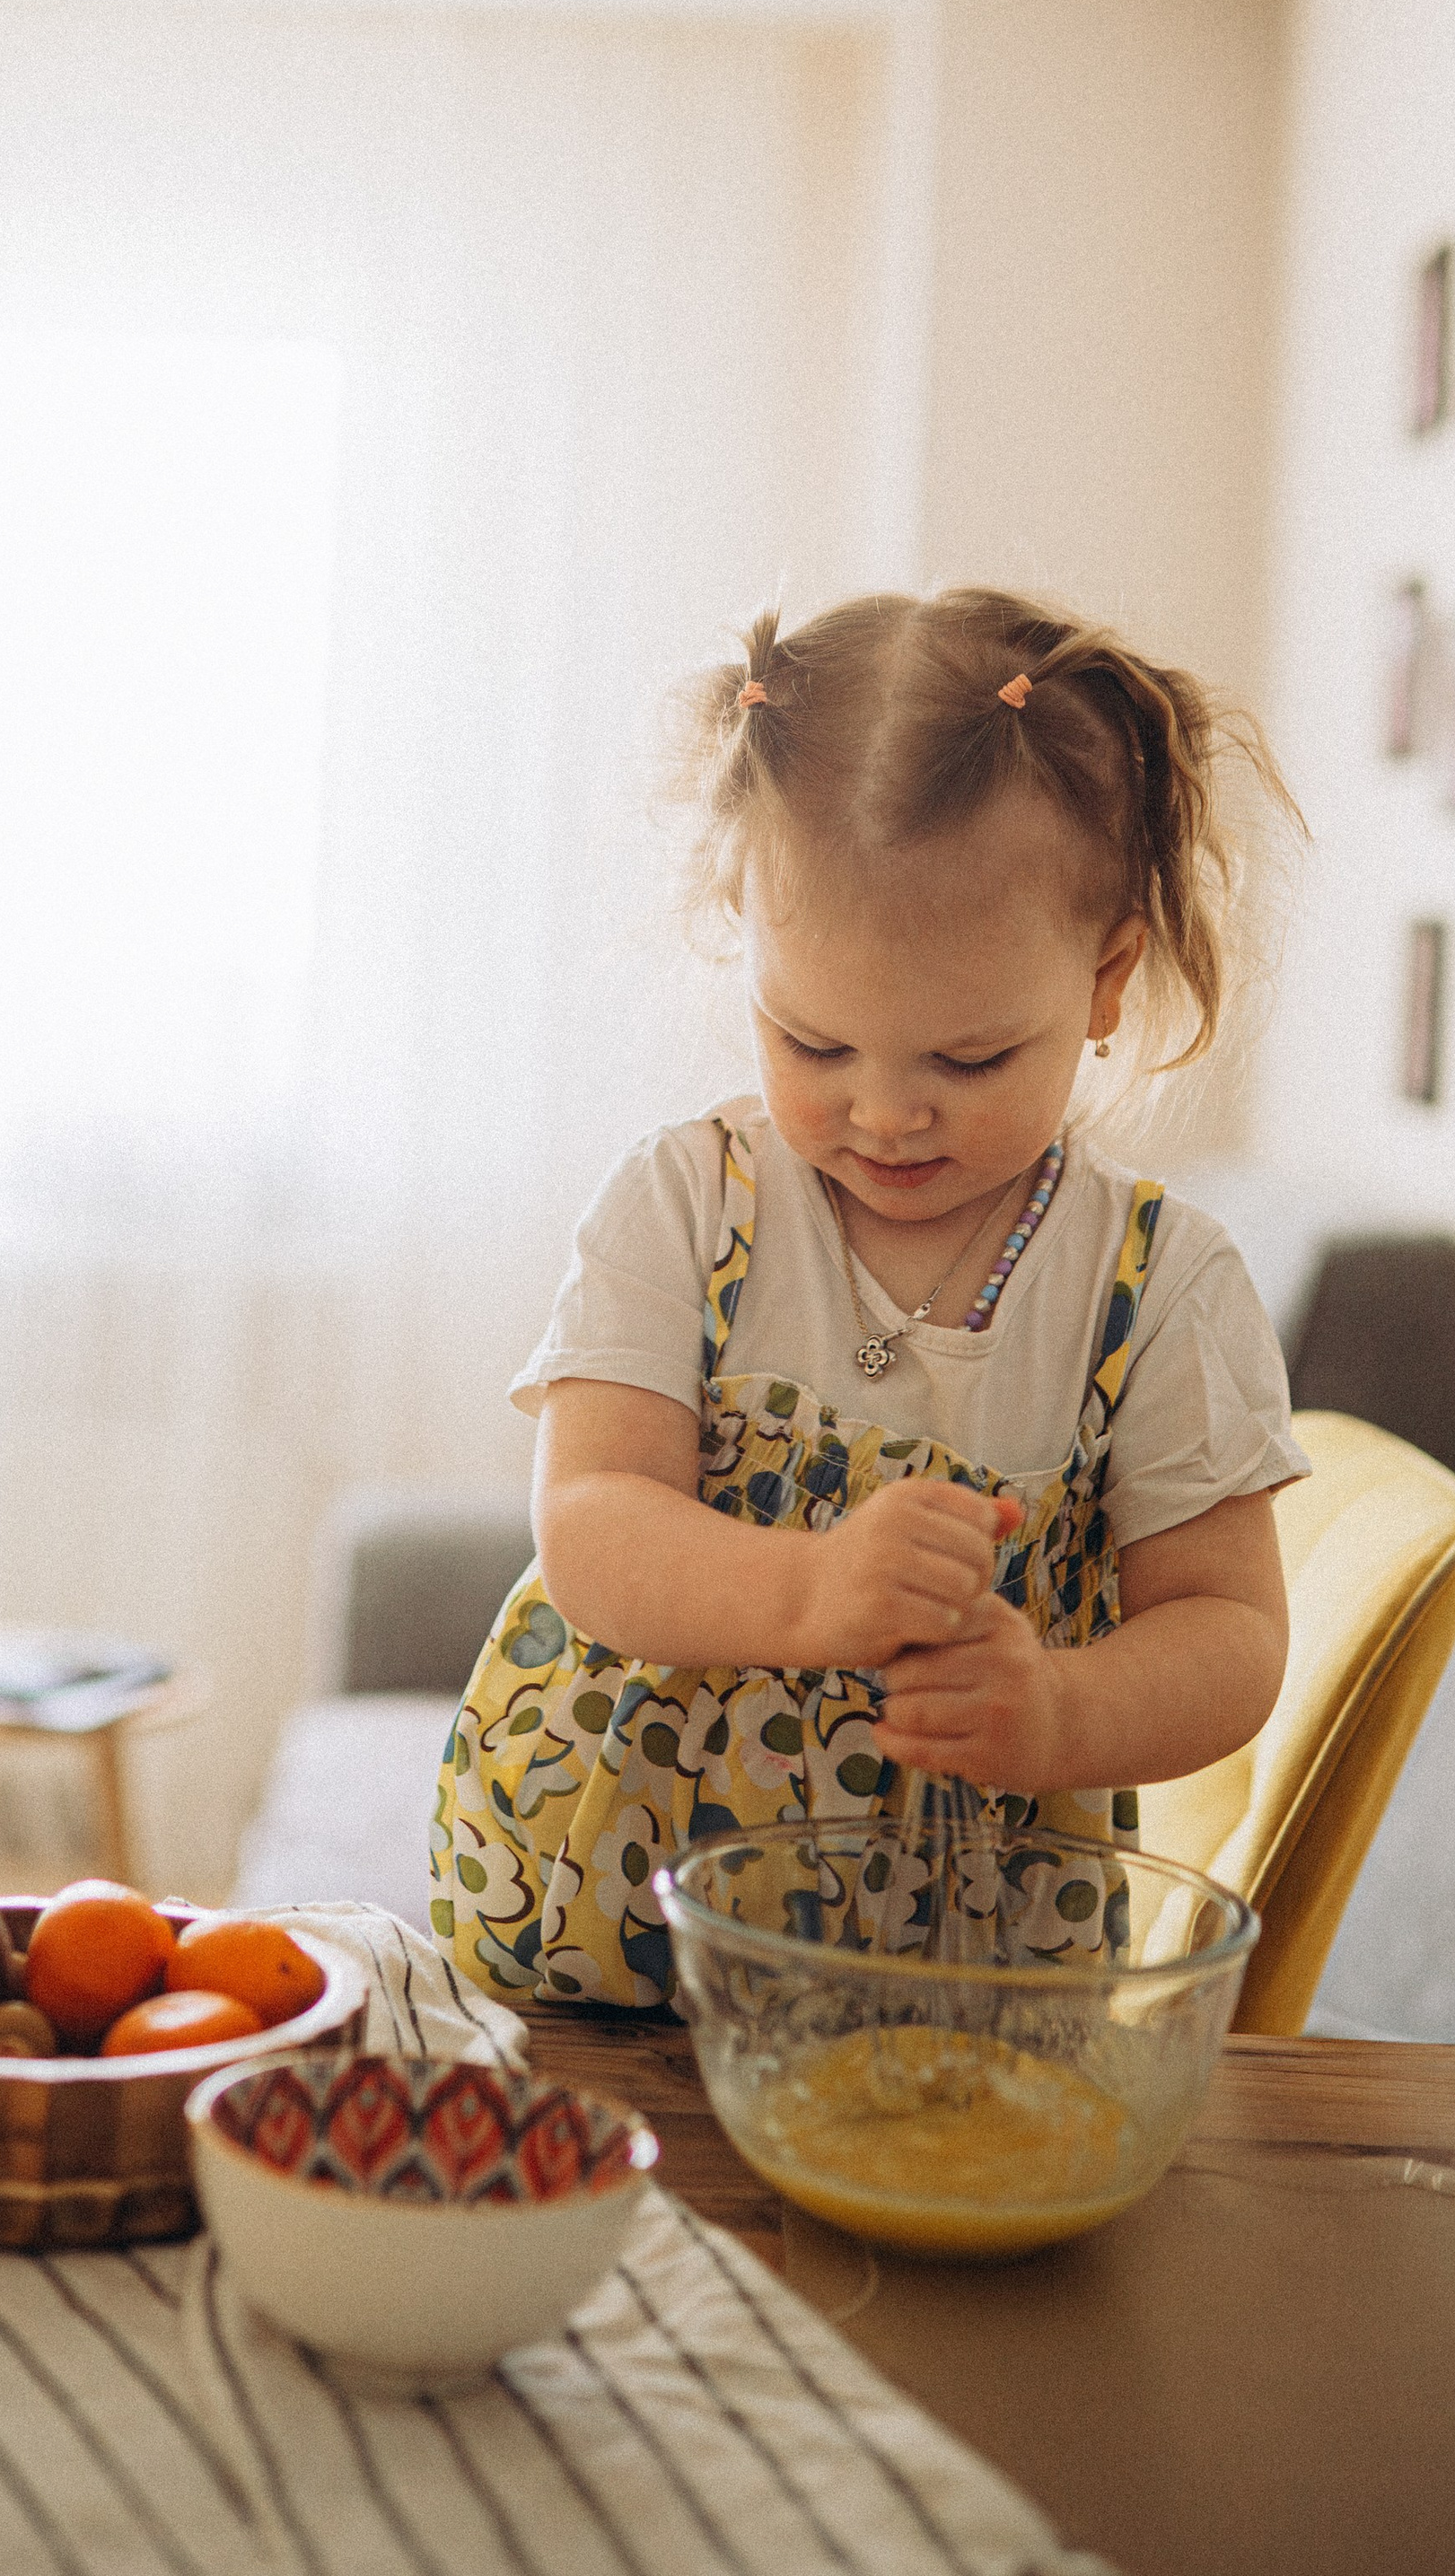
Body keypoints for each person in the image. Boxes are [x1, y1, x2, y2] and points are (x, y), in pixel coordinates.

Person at [432, 586, 1308, 2009]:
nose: (886, 1113)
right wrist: (813, 1589)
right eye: (814, 1039)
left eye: (968, 1060)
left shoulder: (1158, 1289)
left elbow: (1231, 1635)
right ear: (749, 939)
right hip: (616, 1932)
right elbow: (591, 1524)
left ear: (1106, 979)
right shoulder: (685, 1203)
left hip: (963, 1975)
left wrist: (1065, 1708)